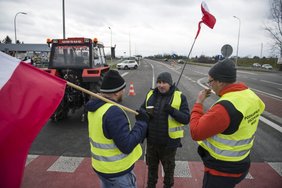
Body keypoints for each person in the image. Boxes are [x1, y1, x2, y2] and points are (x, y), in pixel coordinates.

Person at [189, 59, 265, 188]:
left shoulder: (224, 108)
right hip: (242, 162)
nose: (209, 85)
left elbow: (196, 132)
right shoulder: (250, 95)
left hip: (221, 170)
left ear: (220, 81)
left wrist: (199, 103)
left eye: (210, 81)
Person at [86, 70, 149, 188]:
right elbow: (127, 145)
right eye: (122, 89)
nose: (124, 92)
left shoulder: (94, 107)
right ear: (116, 93)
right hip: (117, 172)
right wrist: (141, 123)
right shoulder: (113, 112)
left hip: (101, 168)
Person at [140, 72, 190, 188]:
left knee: (168, 171)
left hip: (169, 144)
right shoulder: (150, 94)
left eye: (164, 83)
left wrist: (172, 111)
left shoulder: (179, 96)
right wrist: (142, 114)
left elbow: (186, 118)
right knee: (151, 170)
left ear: (170, 83)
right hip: (152, 142)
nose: (161, 85)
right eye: (159, 82)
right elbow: (142, 109)